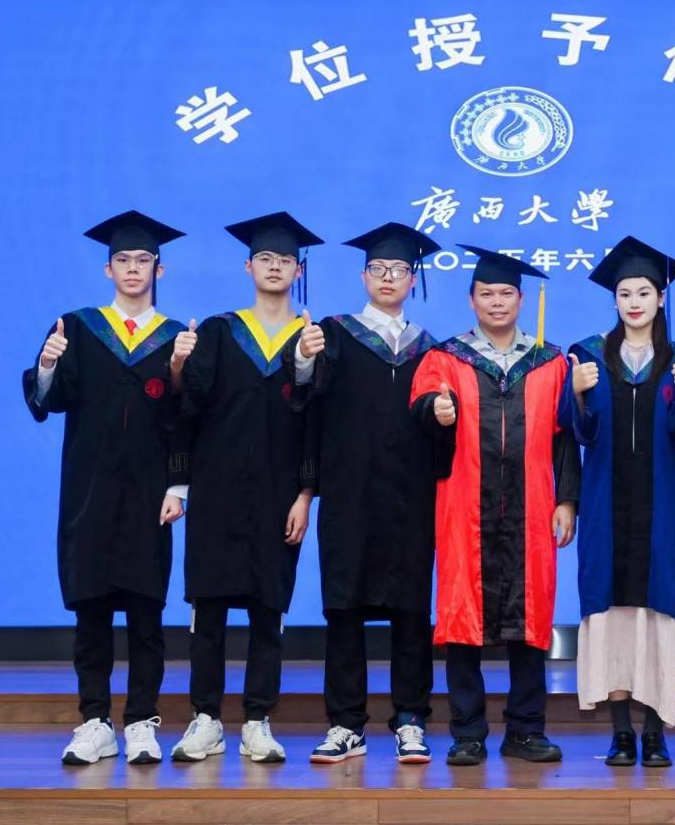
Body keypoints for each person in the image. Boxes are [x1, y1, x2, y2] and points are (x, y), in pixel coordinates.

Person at [22, 210, 190, 765]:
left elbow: (185, 420)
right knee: (91, 612)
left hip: (149, 493)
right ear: (108, 269)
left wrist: (178, 486)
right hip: (89, 491)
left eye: (143, 260)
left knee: (146, 614)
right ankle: (94, 721)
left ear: (159, 270)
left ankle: (141, 721)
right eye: (123, 260)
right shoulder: (76, 328)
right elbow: (50, 400)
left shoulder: (178, 338)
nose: (133, 268)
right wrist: (47, 366)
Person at [409, 246, 580, 766]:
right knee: (463, 614)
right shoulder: (446, 358)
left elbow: (565, 438)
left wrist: (567, 500)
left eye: (506, 292)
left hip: (534, 506)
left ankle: (526, 729)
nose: (497, 301)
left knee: (531, 615)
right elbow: (422, 409)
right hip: (465, 506)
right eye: (487, 293)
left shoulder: (550, 362)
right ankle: (467, 732)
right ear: (472, 299)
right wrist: (435, 411)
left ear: (521, 299)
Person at [170, 211, 322, 765]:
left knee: (267, 609)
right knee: (208, 610)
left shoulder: (312, 339)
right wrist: (178, 367)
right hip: (216, 491)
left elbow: (317, 422)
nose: (274, 266)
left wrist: (306, 494)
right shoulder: (217, 331)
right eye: (265, 258)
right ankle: (205, 719)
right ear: (248, 266)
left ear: (298, 270)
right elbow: (188, 409)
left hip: (279, 495)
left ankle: (257, 720)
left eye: (285, 260)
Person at [293, 222, 443, 765]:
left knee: (411, 609)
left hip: (410, 496)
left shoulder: (431, 349)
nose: (388, 277)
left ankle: (411, 719)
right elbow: (306, 406)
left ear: (412, 280)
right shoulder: (333, 336)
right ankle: (345, 723)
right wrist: (303, 358)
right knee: (344, 607)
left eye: (399, 270)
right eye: (378, 269)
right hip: (349, 493)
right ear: (363, 276)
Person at [567, 236, 675, 768]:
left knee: (656, 614)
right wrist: (576, 393)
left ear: (660, 298)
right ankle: (621, 732)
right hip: (604, 506)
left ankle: (654, 731)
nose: (634, 302)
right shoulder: (587, 355)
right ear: (614, 299)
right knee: (611, 618)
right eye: (625, 293)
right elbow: (580, 433)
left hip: (660, 507)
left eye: (644, 292)